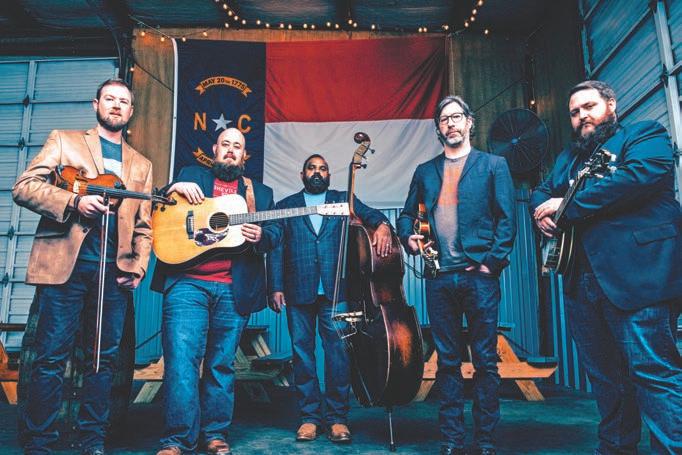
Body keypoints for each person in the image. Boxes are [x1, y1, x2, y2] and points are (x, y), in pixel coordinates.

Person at [531, 80, 682, 454]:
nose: (581, 116)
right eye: (574, 112)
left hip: (639, 278)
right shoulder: (569, 158)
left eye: (589, 106)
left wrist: (565, 205)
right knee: (606, 380)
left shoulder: (644, 134)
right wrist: (541, 212)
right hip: (581, 282)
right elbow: (541, 191)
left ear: (611, 104)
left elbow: (638, 177)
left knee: (653, 372)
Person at [13, 78, 152, 455]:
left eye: (123, 101)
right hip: (66, 268)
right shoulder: (65, 141)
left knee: (102, 361)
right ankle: (40, 443)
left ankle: (92, 442)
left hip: (113, 275)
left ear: (131, 111)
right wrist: (74, 203)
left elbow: (144, 226)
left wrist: (138, 267)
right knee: (51, 357)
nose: (116, 105)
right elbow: (24, 186)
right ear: (96, 104)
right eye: (110, 99)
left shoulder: (141, 164)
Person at [397, 95, 516, 455]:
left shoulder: (494, 165)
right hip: (439, 279)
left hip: (479, 278)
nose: (450, 123)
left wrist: (490, 264)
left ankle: (486, 441)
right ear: (438, 128)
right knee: (447, 363)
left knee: (485, 362)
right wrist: (408, 238)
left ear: (469, 122)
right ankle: (451, 440)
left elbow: (507, 220)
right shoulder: (425, 171)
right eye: (444, 119)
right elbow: (406, 216)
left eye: (456, 117)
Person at [151, 127, 281, 455]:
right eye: (226, 144)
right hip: (187, 283)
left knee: (221, 364)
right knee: (181, 362)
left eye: (237, 146)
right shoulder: (191, 174)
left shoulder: (259, 193)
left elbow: (276, 232)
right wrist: (173, 187)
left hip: (233, 289)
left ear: (244, 155)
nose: (231, 150)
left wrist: (261, 236)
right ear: (215, 149)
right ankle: (177, 440)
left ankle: (215, 434)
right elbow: (158, 203)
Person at [267, 154, 392, 443]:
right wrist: (275, 286)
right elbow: (276, 249)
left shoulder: (343, 199)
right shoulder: (285, 206)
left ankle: (337, 418)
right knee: (302, 354)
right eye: (311, 168)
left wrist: (384, 225)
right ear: (302, 175)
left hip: (336, 291)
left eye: (322, 168)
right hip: (298, 290)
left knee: (338, 355)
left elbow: (372, 215)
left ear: (329, 175)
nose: (317, 172)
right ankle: (309, 418)